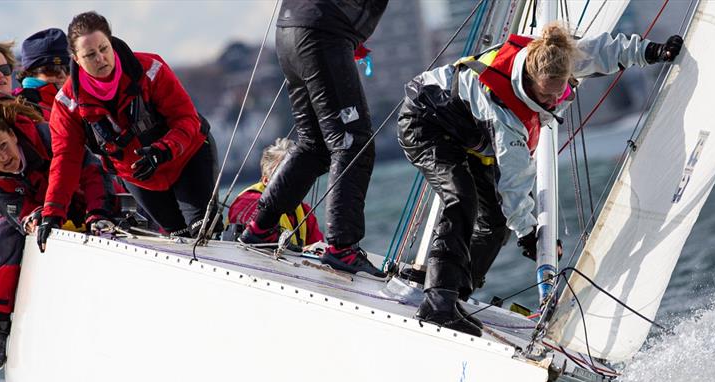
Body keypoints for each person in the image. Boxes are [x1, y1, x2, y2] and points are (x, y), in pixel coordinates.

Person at [397, 22, 683, 336]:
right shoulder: (504, 110)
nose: (552, 102)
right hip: (427, 119)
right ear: (531, 82)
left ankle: (456, 295)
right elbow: (514, 183)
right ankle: (438, 301)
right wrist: (528, 234)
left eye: (558, 93)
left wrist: (652, 52)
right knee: (462, 200)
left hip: (469, 133)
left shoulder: (555, 56)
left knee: (493, 223)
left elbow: (603, 50)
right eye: (546, 96)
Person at [40, 11, 216, 250]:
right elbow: (65, 160)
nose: (101, 58)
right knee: (178, 240)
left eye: (104, 48)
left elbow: (186, 119)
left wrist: (162, 150)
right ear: (76, 59)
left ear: (111, 43)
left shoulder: (150, 69)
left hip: (188, 156)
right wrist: (52, 212)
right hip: (139, 177)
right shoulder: (67, 103)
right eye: (90, 55)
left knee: (203, 231)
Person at [239, 0, 388, 278]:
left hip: (291, 33)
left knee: (315, 145)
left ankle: (260, 228)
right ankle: (342, 248)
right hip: (323, 32)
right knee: (352, 143)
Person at [0, 99, 115, 370]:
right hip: (39, 211)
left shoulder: (47, 136)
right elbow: (16, 212)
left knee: (105, 214)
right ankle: (0, 324)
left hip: (78, 197)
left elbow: (91, 171)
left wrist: (98, 214)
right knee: (0, 238)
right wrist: (33, 219)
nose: (3, 158)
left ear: (12, 135)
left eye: (3, 146)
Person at [229, 138, 324, 248]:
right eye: (283, 172)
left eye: (295, 171)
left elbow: (318, 249)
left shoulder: (305, 213)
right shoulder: (249, 200)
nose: (290, 176)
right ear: (266, 180)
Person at [16, 28, 70, 119]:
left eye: (66, 68)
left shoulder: (76, 99)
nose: (62, 75)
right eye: (53, 69)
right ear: (31, 72)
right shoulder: (24, 106)